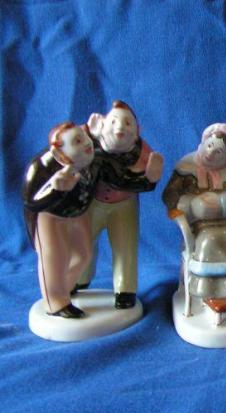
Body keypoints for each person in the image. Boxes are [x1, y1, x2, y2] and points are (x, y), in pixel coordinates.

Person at [163, 123, 226, 301]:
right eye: (209, 146)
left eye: (218, 152)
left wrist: (221, 203)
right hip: (201, 222)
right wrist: (191, 205)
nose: (210, 153)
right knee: (208, 240)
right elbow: (170, 193)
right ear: (203, 143)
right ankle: (208, 290)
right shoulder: (186, 166)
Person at [76, 101, 164, 309]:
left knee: (125, 247)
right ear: (102, 124)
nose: (120, 127)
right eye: (114, 121)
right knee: (82, 243)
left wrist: (152, 176)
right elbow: (71, 145)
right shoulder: (90, 143)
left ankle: (125, 290)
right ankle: (78, 278)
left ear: (137, 131)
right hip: (93, 204)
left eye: (127, 123)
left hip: (124, 206)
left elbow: (150, 178)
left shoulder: (141, 151)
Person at [23, 122, 99, 318]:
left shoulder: (91, 158)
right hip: (50, 217)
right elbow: (30, 202)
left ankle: (64, 288)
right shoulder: (41, 167)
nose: (86, 143)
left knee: (83, 254)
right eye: (77, 141)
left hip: (77, 213)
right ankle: (55, 302)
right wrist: (55, 191)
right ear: (59, 152)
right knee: (54, 259)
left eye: (83, 137)